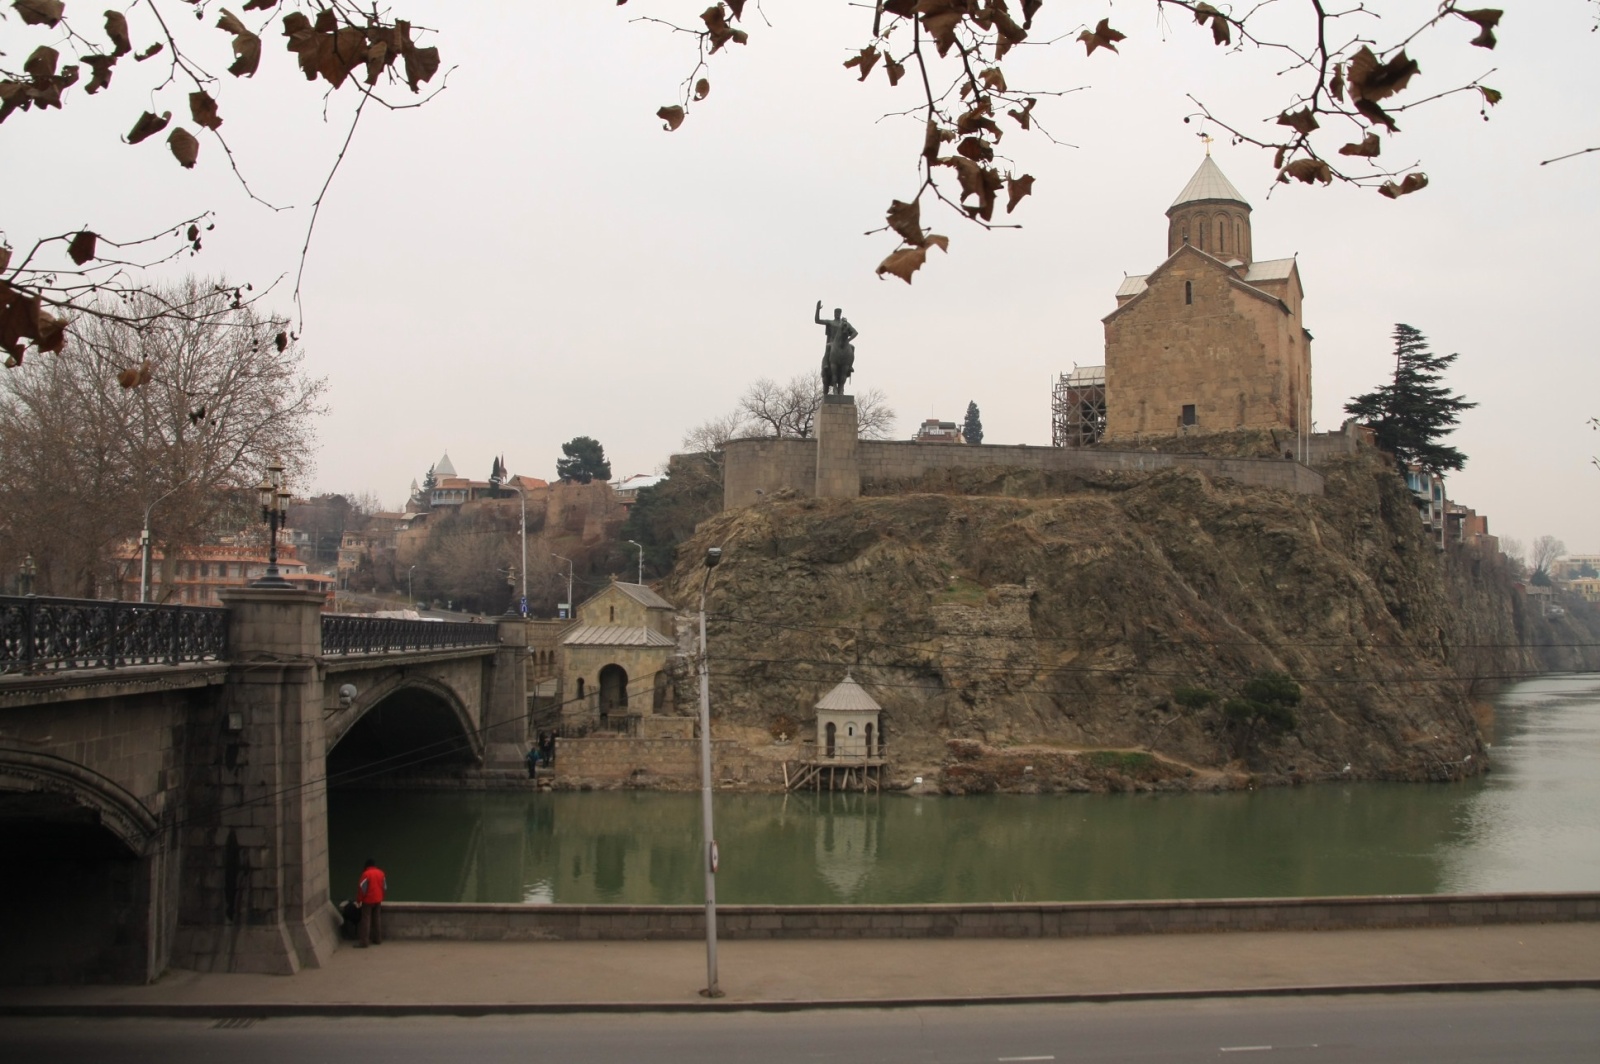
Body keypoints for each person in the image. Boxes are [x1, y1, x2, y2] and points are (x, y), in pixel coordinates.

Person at [356, 858, 387, 947]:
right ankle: (377, 939)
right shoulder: (381, 873)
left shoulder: (366, 874)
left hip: (368, 900)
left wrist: (359, 900)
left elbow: (362, 889)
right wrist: (382, 897)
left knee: (366, 920)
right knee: (377, 919)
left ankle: (364, 942)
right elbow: (384, 887)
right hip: (378, 899)